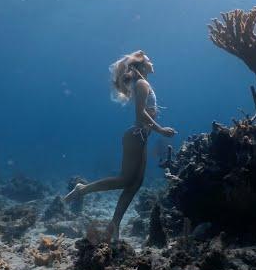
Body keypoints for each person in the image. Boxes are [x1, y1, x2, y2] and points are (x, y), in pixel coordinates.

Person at [64, 50, 176, 242]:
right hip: (135, 136)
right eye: (149, 60)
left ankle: (114, 226)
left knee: (135, 184)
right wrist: (161, 130)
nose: (152, 62)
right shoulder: (142, 83)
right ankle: (82, 189)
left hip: (141, 137)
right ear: (140, 65)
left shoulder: (143, 83)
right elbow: (140, 113)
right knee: (125, 180)